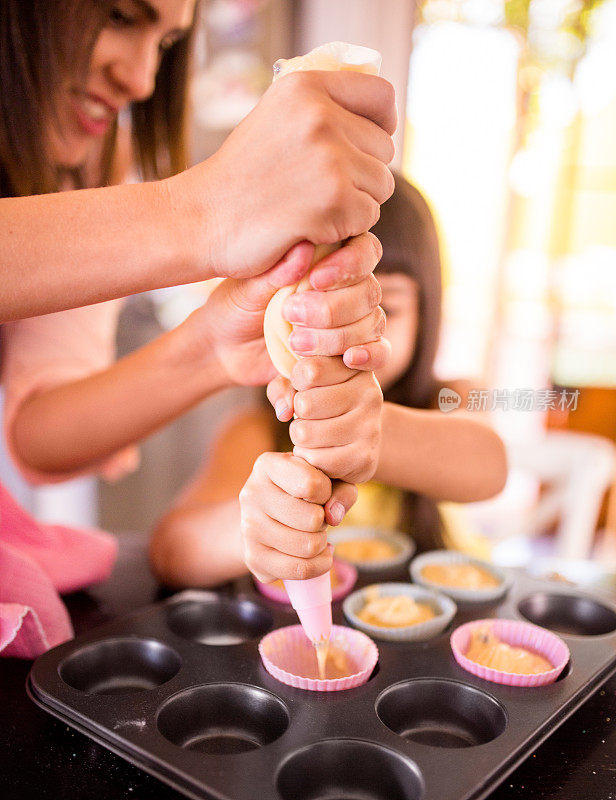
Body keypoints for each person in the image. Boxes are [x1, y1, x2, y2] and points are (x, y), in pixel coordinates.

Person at [1, 0, 397, 488]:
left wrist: (213, 345)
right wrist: (202, 211)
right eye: (120, 17)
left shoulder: (90, 161)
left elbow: (37, 433)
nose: (143, 81)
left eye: (166, 43)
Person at [150, 174, 508, 588]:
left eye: (383, 307)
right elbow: (171, 551)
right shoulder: (258, 431)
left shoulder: (451, 396)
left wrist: (367, 433)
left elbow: (491, 465)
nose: (347, 335)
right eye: (319, 308)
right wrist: (255, 529)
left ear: (427, 315)